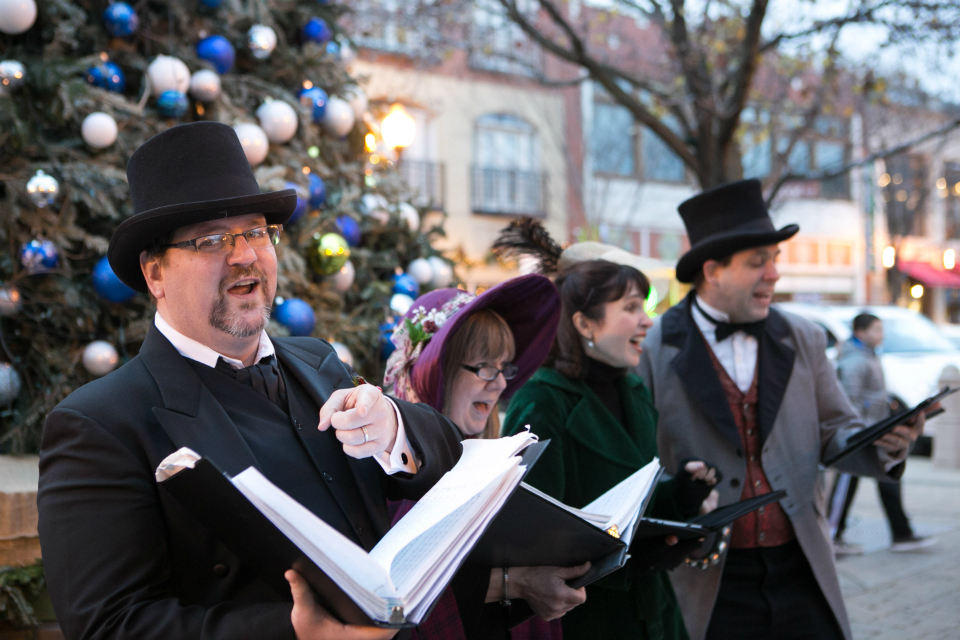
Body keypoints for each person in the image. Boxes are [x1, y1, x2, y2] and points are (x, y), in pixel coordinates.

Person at [37, 122, 464, 640]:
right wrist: (299, 633)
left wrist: (393, 425)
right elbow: (109, 625)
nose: (244, 255)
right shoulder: (98, 424)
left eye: (257, 231)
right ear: (155, 275)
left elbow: (449, 458)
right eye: (212, 239)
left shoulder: (318, 360)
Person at [636, 179, 926, 640]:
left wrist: (883, 443)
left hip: (801, 566)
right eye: (758, 262)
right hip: (705, 574)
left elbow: (836, 429)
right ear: (713, 270)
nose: (774, 274)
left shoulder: (803, 336)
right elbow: (638, 463)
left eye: (776, 260)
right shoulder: (652, 348)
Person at [497, 246, 719, 640]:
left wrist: (683, 494)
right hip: (587, 618)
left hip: (654, 611)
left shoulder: (632, 389)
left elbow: (631, 499)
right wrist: (638, 554)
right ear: (584, 323)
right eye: (632, 307)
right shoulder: (542, 400)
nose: (647, 321)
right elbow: (534, 537)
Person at [383, 274, 588, 639]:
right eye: (483, 365)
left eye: (505, 366)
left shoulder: (500, 460)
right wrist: (516, 583)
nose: (500, 382)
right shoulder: (392, 469)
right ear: (436, 370)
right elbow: (394, 599)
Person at [829, 313, 937, 555]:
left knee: (889, 479)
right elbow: (849, 403)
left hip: (876, 431)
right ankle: (831, 535)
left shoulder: (869, 356)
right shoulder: (854, 361)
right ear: (860, 333)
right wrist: (859, 433)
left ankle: (902, 534)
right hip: (861, 435)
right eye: (876, 330)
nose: (881, 335)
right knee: (846, 483)